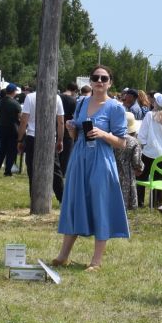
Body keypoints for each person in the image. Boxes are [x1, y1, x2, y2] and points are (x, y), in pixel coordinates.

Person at [51, 65, 130, 271]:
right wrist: (71, 129)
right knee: (75, 203)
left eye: (104, 78)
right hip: (79, 157)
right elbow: (76, 136)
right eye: (96, 77)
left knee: (100, 205)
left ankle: (96, 261)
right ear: (90, 81)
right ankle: (63, 256)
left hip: (101, 161)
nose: (99, 81)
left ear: (110, 82)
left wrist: (102, 134)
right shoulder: (82, 102)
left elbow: (122, 142)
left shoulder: (116, 108)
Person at [138, 92, 162, 206]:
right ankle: (157, 203)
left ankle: (140, 201)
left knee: (141, 176)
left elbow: (142, 135)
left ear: (156, 103)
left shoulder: (150, 115)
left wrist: (144, 145)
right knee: (161, 178)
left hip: (151, 152)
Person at [0, 87, 21, 177]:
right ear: (13, 92)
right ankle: (8, 171)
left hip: (2, 128)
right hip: (13, 128)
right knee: (11, 151)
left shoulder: (0, 103)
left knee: (2, 150)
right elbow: (20, 117)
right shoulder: (15, 103)